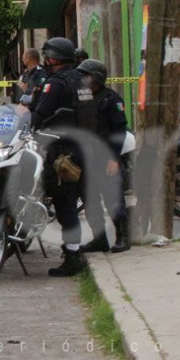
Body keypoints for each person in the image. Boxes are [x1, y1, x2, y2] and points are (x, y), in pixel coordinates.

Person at [31, 38, 97, 277]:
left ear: (54, 58)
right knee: (77, 199)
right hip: (84, 147)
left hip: (62, 152)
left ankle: (72, 256)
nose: (46, 61)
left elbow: (39, 114)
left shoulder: (55, 84)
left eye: (47, 57)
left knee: (65, 205)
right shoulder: (82, 81)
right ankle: (77, 250)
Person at [77, 58, 131, 254]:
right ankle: (99, 239)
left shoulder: (111, 100)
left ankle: (123, 238)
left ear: (96, 78)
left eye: (85, 76)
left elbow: (119, 131)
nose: (82, 80)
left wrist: (114, 159)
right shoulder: (83, 98)